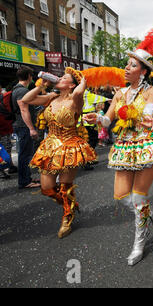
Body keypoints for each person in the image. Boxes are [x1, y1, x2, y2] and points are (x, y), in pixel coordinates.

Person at [84, 21, 153, 266]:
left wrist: (138, 115)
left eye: (132, 65)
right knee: (120, 197)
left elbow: (149, 115)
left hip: (147, 145)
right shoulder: (119, 93)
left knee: (138, 198)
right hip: (125, 146)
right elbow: (108, 120)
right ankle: (145, 214)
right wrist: (99, 118)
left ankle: (139, 242)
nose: (127, 68)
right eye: (127, 64)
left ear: (144, 71)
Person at [21, 68, 97, 239]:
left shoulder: (75, 101)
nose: (59, 78)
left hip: (70, 146)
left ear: (71, 85)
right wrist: (43, 85)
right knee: (47, 188)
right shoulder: (51, 98)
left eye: (64, 78)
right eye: (60, 77)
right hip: (50, 146)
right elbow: (26, 99)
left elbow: (78, 92)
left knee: (65, 187)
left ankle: (67, 217)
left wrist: (83, 80)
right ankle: (70, 204)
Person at [12, 66, 41, 189]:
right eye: (31, 75)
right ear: (29, 76)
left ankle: (27, 177)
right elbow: (24, 110)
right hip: (24, 127)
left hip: (22, 126)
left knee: (26, 153)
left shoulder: (17, 89)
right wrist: (31, 128)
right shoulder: (22, 91)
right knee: (25, 155)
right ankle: (24, 181)